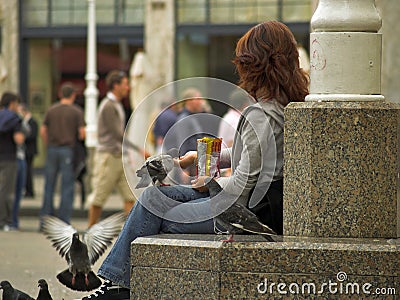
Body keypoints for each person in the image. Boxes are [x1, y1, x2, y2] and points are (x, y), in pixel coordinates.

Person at [79, 20, 309, 300]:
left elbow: (245, 182)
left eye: (243, 64)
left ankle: (117, 288)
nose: (240, 70)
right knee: (154, 198)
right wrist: (197, 161)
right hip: (256, 206)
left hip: (238, 215)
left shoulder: (260, 115)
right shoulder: (286, 106)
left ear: (255, 66)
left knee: (154, 206)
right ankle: (117, 286)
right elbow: (256, 158)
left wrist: (210, 182)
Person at [87, 70, 136, 227]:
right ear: (116, 86)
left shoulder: (115, 104)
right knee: (99, 196)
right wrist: (138, 149)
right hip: (108, 157)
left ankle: (130, 230)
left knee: (129, 195)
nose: (127, 88)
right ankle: (90, 229)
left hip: (117, 156)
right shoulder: (108, 106)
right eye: (125, 84)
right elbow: (117, 134)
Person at [40, 83, 85, 227]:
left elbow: (43, 130)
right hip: (67, 150)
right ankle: (63, 222)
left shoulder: (51, 110)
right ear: (73, 95)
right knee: (67, 187)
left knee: (49, 185)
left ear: (60, 94)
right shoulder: (76, 111)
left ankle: (45, 221)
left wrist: (48, 143)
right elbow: (82, 133)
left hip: (52, 149)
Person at [0, 92, 24, 231]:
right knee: (7, 190)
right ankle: (5, 221)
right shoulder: (15, 118)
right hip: (9, 157)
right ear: (13, 103)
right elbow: (19, 138)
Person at [218, 89, 250, 176]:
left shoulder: (229, 116)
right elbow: (232, 143)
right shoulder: (235, 120)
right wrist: (229, 171)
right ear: (245, 103)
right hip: (228, 167)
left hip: (223, 164)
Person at [11, 102, 31, 230]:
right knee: (14, 191)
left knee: (15, 191)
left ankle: (12, 220)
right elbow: (22, 136)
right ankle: (11, 220)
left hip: (18, 157)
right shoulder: (14, 119)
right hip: (15, 158)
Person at [19, 104, 38, 198]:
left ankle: (30, 191)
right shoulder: (23, 122)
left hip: (29, 150)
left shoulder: (32, 122)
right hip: (24, 150)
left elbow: (33, 135)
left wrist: (23, 137)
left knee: (28, 171)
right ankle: (27, 189)